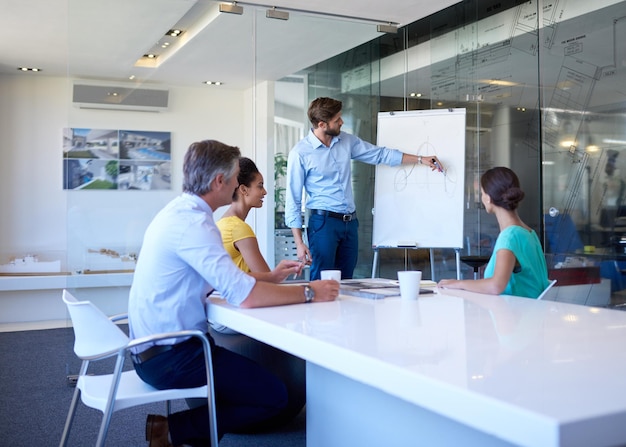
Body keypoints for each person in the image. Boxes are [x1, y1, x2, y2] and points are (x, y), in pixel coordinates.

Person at [128, 140, 339, 447]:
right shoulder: (196, 226)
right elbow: (247, 297)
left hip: (151, 348)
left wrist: (269, 276)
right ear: (219, 182)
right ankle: (172, 430)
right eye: (234, 177)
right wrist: (311, 292)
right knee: (274, 395)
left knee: (251, 386)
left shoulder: (177, 213)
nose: (237, 184)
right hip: (173, 356)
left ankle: (180, 434)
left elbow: (218, 281)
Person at [285, 97, 444, 280]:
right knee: (322, 280)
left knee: (347, 281)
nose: (342, 122)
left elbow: (379, 154)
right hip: (323, 224)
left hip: (350, 223)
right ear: (322, 124)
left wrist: (420, 159)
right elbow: (293, 199)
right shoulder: (300, 153)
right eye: (337, 120)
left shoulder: (346, 141)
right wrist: (299, 242)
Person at [215, 157, 307, 426]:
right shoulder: (239, 228)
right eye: (260, 186)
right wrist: (288, 274)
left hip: (224, 313)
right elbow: (267, 282)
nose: (265, 192)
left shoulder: (222, 222)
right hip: (242, 314)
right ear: (242, 189)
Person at [438, 166, 550, 298]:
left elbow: (496, 286)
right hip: (530, 314)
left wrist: (458, 283)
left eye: (482, 193)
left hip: (517, 316)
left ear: (488, 198)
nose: (481, 197)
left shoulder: (509, 237)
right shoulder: (529, 233)